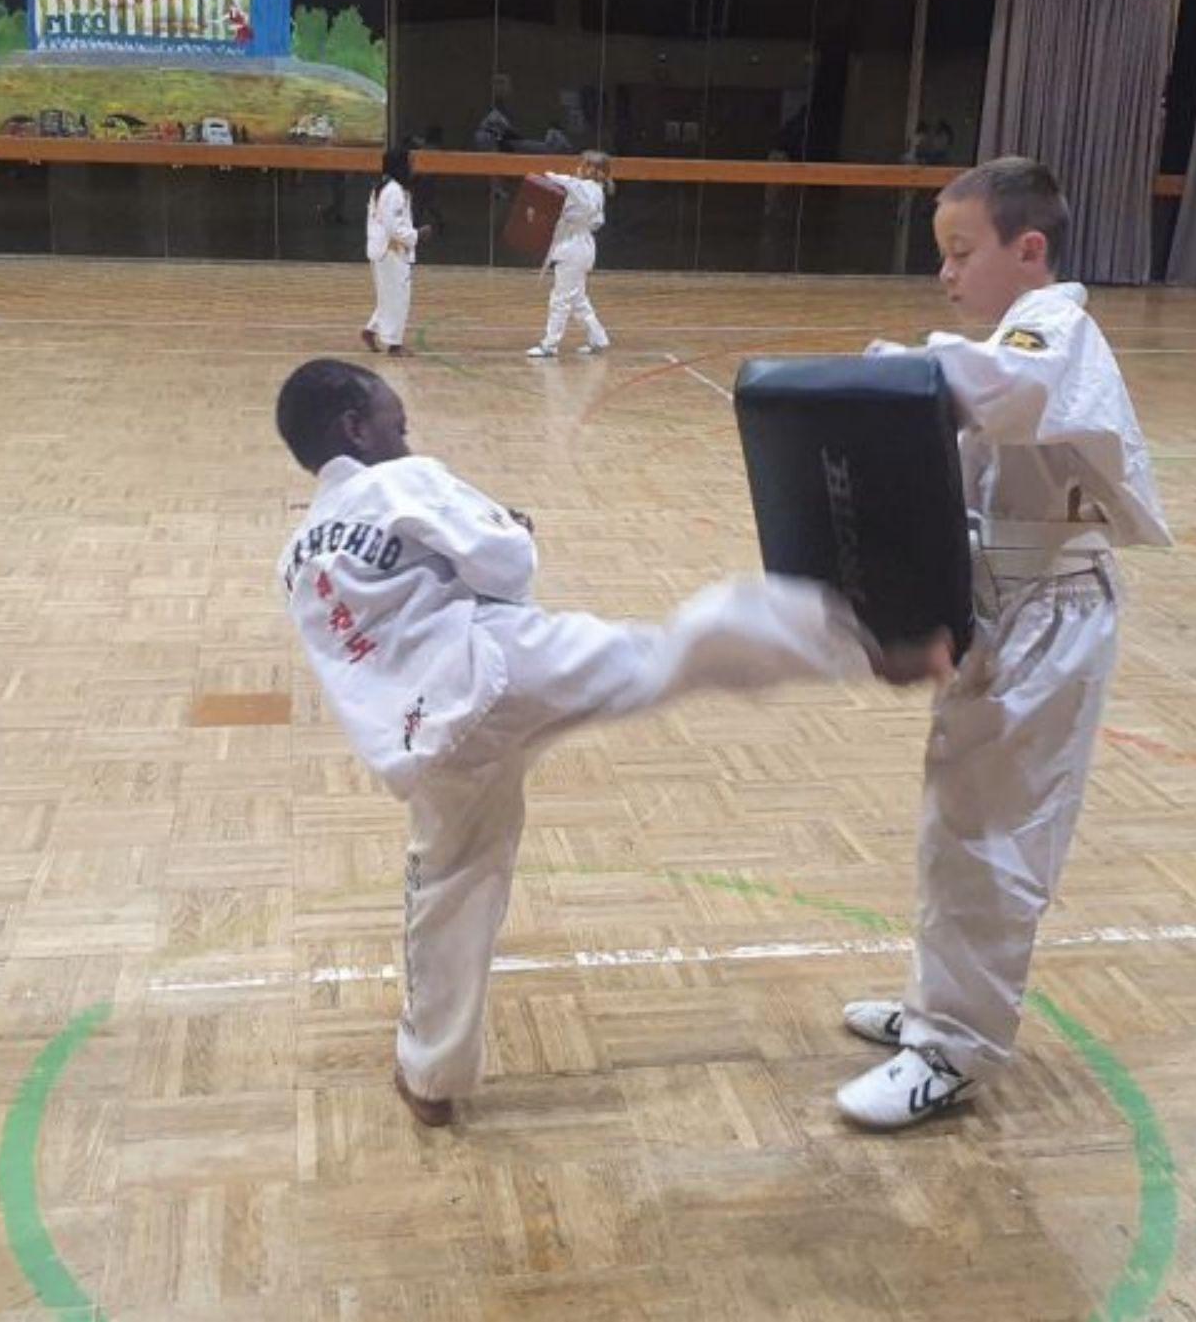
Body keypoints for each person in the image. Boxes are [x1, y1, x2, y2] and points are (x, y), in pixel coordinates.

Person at [273, 360, 952, 1127]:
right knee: (672, 650)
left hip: (424, 735)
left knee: (449, 878)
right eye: (396, 425)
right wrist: (511, 526)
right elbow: (508, 566)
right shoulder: (402, 479)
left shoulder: (296, 555)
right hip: (501, 668)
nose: (406, 437)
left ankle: (430, 1073)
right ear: (356, 429)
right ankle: (870, 648)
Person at [835, 156, 1173, 1131]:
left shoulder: (1051, 330)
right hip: (1002, 604)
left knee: (996, 836)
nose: (944, 273)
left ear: (1027, 249)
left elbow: (998, 386)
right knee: (957, 819)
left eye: (960, 250)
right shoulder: (1008, 342)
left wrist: (884, 371)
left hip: (1050, 613)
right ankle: (936, 1006)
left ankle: (955, 1049)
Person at [527, 151, 614, 360]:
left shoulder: (583, 188)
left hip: (573, 249)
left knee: (560, 299)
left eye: (583, 165)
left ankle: (549, 345)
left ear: (591, 169)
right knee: (578, 299)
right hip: (580, 246)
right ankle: (598, 338)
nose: (578, 167)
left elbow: (557, 179)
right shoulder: (594, 190)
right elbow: (595, 222)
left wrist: (545, 178)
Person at [364, 147, 430, 357]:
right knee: (398, 298)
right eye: (409, 163)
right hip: (391, 251)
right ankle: (394, 345)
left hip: (383, 250)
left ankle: (371, 330)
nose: (412, 167)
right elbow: (394, 228)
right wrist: (417, 235)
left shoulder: (384, 187)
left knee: (388, 297)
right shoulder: (393, 191)